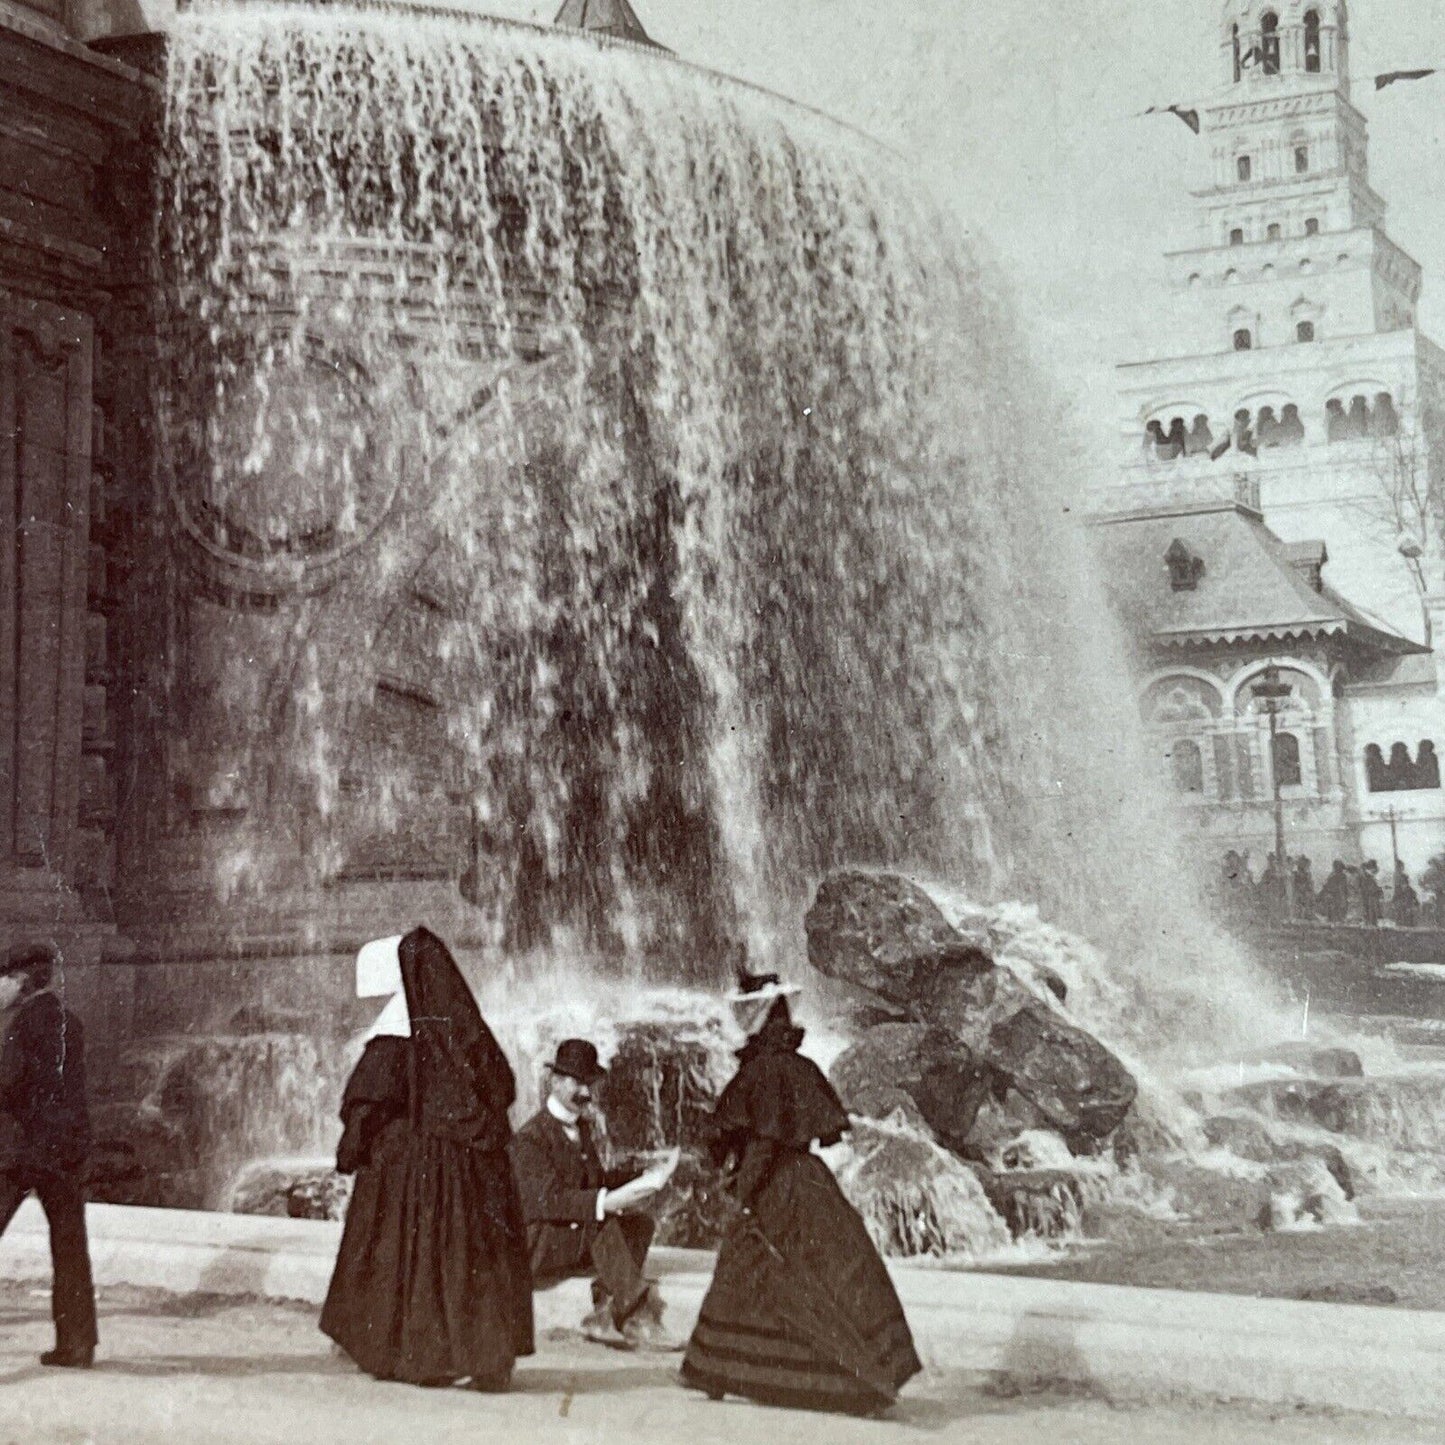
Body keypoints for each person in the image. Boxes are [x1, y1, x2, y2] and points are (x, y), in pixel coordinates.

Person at [681, 968, 921, 1415]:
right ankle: (846, 1376)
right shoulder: (796, 1066)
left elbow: (766, 1139)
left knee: (747, 1270)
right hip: (808, 1182)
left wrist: (743, 1191)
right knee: (830, 1275)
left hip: (776, 1185)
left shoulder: (765, 1070)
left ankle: (717, 1369)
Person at [320, 927, 534, 1389]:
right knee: (469, 1261)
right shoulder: (467, 1028)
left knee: (413, 1260)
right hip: (476, 1169)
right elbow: (502, 1089)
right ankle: (488, 1357)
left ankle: (421, 1355)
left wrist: (361, 1147)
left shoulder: (394, 1036)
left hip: (413, 1172)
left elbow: (365, 1105)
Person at [512, 1040, 680, 1350]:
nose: (586, 1093)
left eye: (589, 1083)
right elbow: (547, 1202)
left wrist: (643, 1174)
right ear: (555, 1081)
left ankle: (603, 1313)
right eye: (578, 1082)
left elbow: (596, 1181)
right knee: (602, 1222)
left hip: (568, 1237)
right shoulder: (530, 1138)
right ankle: (639, 1314)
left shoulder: (582, 1129)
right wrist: (603, 1203)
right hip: (538, 1244)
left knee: (639, 1224)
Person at [0, 941, 97, 1368]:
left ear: (20, 981)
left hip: (21, 1151)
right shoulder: (68, 1021)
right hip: (66, 1150)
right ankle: (77, 1344)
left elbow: (8, 1084)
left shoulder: (22, 1024)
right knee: (71, 1245)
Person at [1317, 859, 1350, 924]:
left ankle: (1337, 921)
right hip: (1333, 896)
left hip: (1338, 896)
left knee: (1338, 910)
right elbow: (1327, 886)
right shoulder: (1333, 875)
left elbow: (1342, 887)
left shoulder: (1341, 876)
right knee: (1333, 910)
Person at [1393, 862, 1420, 928]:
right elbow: (1395, 898)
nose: (1404, 885)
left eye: (1405, 883)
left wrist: (1416, 903)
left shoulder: (1410, 889)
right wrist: (1394, 903)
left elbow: (1415, 897)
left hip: (1408, 908)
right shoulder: (1398, 889)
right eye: (1402, 883)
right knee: (1401, 919)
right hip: (1401, 908)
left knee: (1408, 920)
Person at [1360, 860, 1384, 927]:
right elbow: (1370, 889)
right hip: (1370, 899)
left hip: (1371, 899)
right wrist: (1378, 891)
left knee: (1372, 916)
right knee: (1370, 915)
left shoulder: (1370, 877)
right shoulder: (1367, 878)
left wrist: (1379, 890)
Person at [1291, 855, 1316, 920]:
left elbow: (1310, 885)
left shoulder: (1308, 875)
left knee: (1308, 897)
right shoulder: (1295, 874)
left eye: (1304, 865)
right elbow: (1293, 885)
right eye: (1301, 864)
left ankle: (1308, 914)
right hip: (1297, 893)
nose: (1303, 866)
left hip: (1306, 893)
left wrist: (1307, 888)